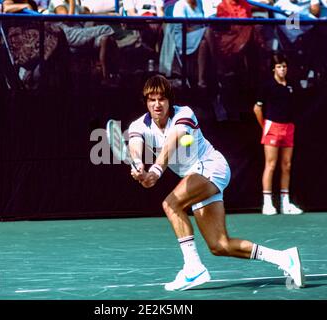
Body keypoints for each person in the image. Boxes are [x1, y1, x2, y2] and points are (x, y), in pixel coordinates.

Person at [128, 74, 305, 291]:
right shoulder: (140, 125)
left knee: (171, 204)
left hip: (211, 167)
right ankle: (284, 259)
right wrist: (138, 166)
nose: (157, 104)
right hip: (196, 178)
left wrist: (155, 171)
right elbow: (135, 143)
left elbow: (172, 142)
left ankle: (193, 268)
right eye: (152, 99)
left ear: (169, 100)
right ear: (146, 102)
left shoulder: (184, 113)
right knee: (219, 245)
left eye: (162, 99)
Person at [253, 53, 304, 216]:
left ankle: (285, 204)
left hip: (288, 128)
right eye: (279, 66)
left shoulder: (292, 85)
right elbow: (257, 108)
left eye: (284, 66)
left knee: (286, 165)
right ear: (274, 68)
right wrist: (265, 127)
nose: (282, 69)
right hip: (271, 127)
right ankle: (267, 204)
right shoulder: (267, 85)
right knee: (271, 165)